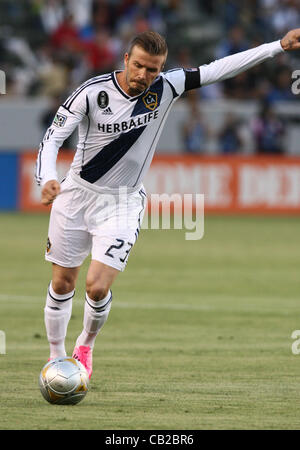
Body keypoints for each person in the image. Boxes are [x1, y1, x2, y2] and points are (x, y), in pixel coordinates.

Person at [35, 29, 300, 379]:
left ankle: (85, 345)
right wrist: (47, 178)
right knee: (62, 283)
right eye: (140, 66)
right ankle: (57, 359)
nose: (145, 76)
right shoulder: (91, 92)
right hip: (76, 196)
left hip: (123, 202)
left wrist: (276, 46)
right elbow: (53, 137)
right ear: (126, 59)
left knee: (97, 287)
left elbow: (220, 69)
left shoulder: (168, 87)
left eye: (154, 70)